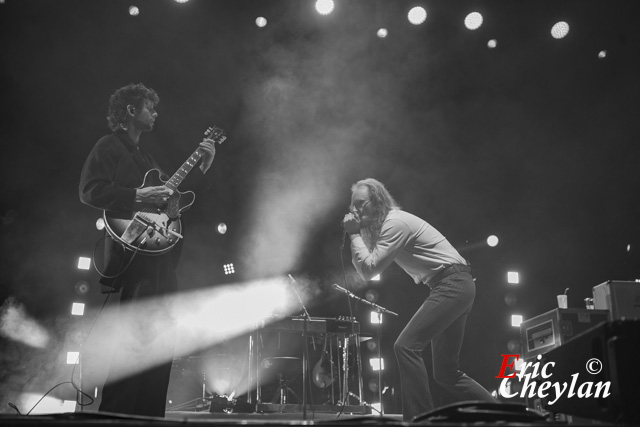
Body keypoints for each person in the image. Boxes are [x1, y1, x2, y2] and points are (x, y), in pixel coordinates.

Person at [79, 83, 216, 417]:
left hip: (161, 261)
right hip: (133, 260)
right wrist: (137, 197)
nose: (155, 114)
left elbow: (174, 201)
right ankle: (117, 416)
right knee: (133, 342)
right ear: (130, 110)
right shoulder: (108, 145)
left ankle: (150, 416)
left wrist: (202, 165)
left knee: (160, 345)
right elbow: (89, 190)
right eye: (149, 108)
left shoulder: (147, 158)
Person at [342, 178, 496, 421]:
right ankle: (502, 415)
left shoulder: (395, 223)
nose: (355, 211)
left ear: (378, 201)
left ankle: (420, 421)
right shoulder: (388, 226)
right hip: (456, 283)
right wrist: (357, 234)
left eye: (360, 204)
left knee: (405, 346)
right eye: (353, 206)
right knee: (446, 373)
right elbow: (365, 268)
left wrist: (353, 236)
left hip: (452, 283)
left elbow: (369, 269)